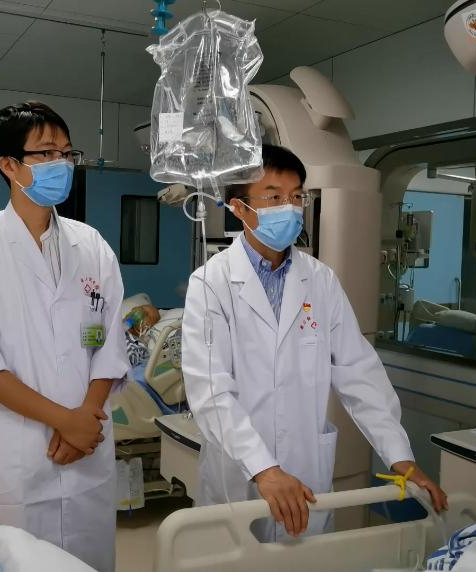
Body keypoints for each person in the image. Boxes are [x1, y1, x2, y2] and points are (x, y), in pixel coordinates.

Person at [181, 144, 448, 542]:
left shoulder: (320, 280)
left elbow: (358, 372)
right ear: (239, 208)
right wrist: (264, 468)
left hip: (305, 470)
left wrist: (400, 457)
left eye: (296, 197)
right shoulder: (210, 283)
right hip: (239, 478)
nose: (289, 208)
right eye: (274, 197)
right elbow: (210, 390)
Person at [0, 101, 127, 571]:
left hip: (86, 446)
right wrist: (66, 420)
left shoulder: (92, 246)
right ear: (9, 165)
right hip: (18, 454)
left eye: (67, 153)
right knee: (18, 559)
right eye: (45, 153)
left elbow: (110, 345)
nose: (61, 164)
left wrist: (84, 419)